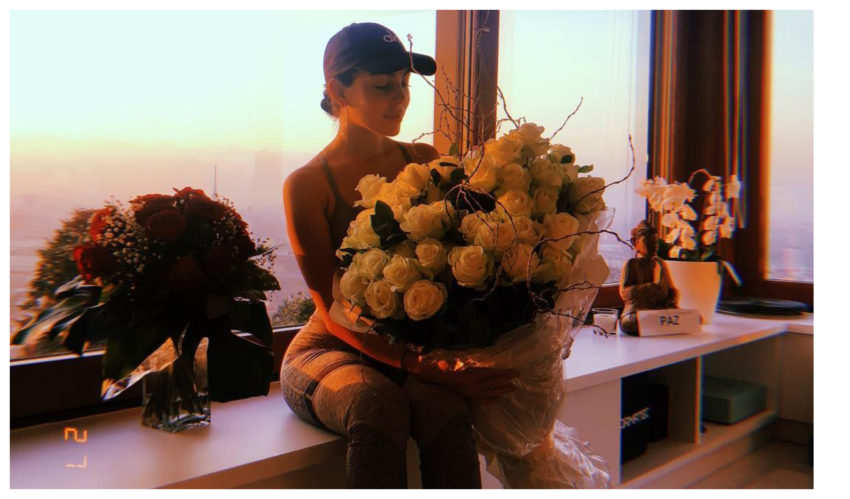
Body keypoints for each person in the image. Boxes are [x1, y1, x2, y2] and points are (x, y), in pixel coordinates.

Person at [281, 22, 517, 489]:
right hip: (330, 347)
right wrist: (427, 368)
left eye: (404, 84)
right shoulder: (306, 185)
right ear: (338, 90)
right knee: (376, 405)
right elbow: (332, 311)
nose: (400, 98)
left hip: (410, 348)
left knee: (446, 407)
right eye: (382, 86)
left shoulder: (424, 158)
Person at [618, 220, 678, 335]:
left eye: (655, 241)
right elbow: (625, 293)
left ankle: (658, 323)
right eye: (647, 241)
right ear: (635, 242)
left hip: (661, 311)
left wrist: (671, 301)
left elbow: (671, 289)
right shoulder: (632, 264)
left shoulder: (660, 263)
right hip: (638, 311)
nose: (653, 245)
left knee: (692, 318)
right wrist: (652, 285)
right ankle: (659, 324)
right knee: (630, 323)